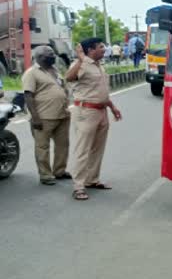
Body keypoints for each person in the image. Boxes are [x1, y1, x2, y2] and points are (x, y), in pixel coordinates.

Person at [65, 38, 123, 201]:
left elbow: (101, 90)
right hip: (86, 111)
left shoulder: (99, 66)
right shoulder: (80, 64)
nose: (105, 50)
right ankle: (78, 186)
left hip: (101, 111)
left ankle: (92, 180)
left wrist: (112, 107)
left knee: (98, 148)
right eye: (101, 47)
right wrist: (80, 59)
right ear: (90, 50)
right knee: (82, 150)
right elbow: (68, 77)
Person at [22, 45, 71, 185]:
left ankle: (59, 171)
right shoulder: (31, 73)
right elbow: (28, 95)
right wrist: (35, 117)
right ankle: (45, 175)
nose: (53, 56)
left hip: (62, 114)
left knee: (63, 145)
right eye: (49, 54)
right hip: (43, 117)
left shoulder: (55, 70)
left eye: (53, 53)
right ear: (39, 57)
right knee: (42, 147)